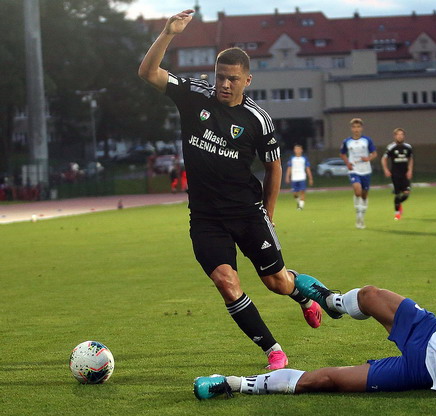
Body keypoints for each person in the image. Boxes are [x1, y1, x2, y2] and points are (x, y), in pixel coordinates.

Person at [194, 186, 436, 410]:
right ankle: (331, 303)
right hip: (432, 330)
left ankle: (234, 383)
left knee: (327, 380)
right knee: (370, 294)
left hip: (424, 369)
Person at [138, 9, 322, 370]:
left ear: (247, 80)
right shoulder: (194, 95)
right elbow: (148, 72)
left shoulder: (258, 119)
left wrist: (269, 213)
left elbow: (274, 167)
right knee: (226, 281)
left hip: (247, 212)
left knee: (276, 282)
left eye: (232, 79)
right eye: (220, 76)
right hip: (206, 218)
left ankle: (302, 295)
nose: (224, 84)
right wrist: (168, 33)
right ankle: (273, 351)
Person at [340, 118, 377, 229]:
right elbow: (342, 154)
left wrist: (368, 158)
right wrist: (347, 163)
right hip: (354, 170)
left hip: (366, 170)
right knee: (357, 191)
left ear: (361, 128)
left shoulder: (367, 140)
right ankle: (358, 215)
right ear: (351, 129)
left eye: (358, 127)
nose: (356, 129)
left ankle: (362, 218)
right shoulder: (347, 141)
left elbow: (374, 153)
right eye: (354, 127)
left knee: (364, 195)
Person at [381, 128, 414, 220]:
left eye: (402, 134)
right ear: (395, 136)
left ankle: (399, 204)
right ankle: (397, 214)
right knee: (398, 194)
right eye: (398, 134)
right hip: (395, 174)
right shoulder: (391, 147)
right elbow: (384, 159)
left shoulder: (408, 147)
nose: (400, 136)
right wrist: (386, 170)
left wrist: (410, 170)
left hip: (405, 174)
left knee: (406, 193)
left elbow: (411, 159)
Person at [285, 144, 313, 210]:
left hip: (302, 177)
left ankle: (301, 207)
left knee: (302, 191)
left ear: (301, 150)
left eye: (298, 149)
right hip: (294, 178)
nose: (297, 150)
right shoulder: (292, 158)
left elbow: (308, 169)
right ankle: (299, 202)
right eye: (296, 149)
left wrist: (310, 178)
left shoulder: (304, 158)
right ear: (294, 150)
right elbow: (289, 168)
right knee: (295, 193)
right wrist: (287, 177)